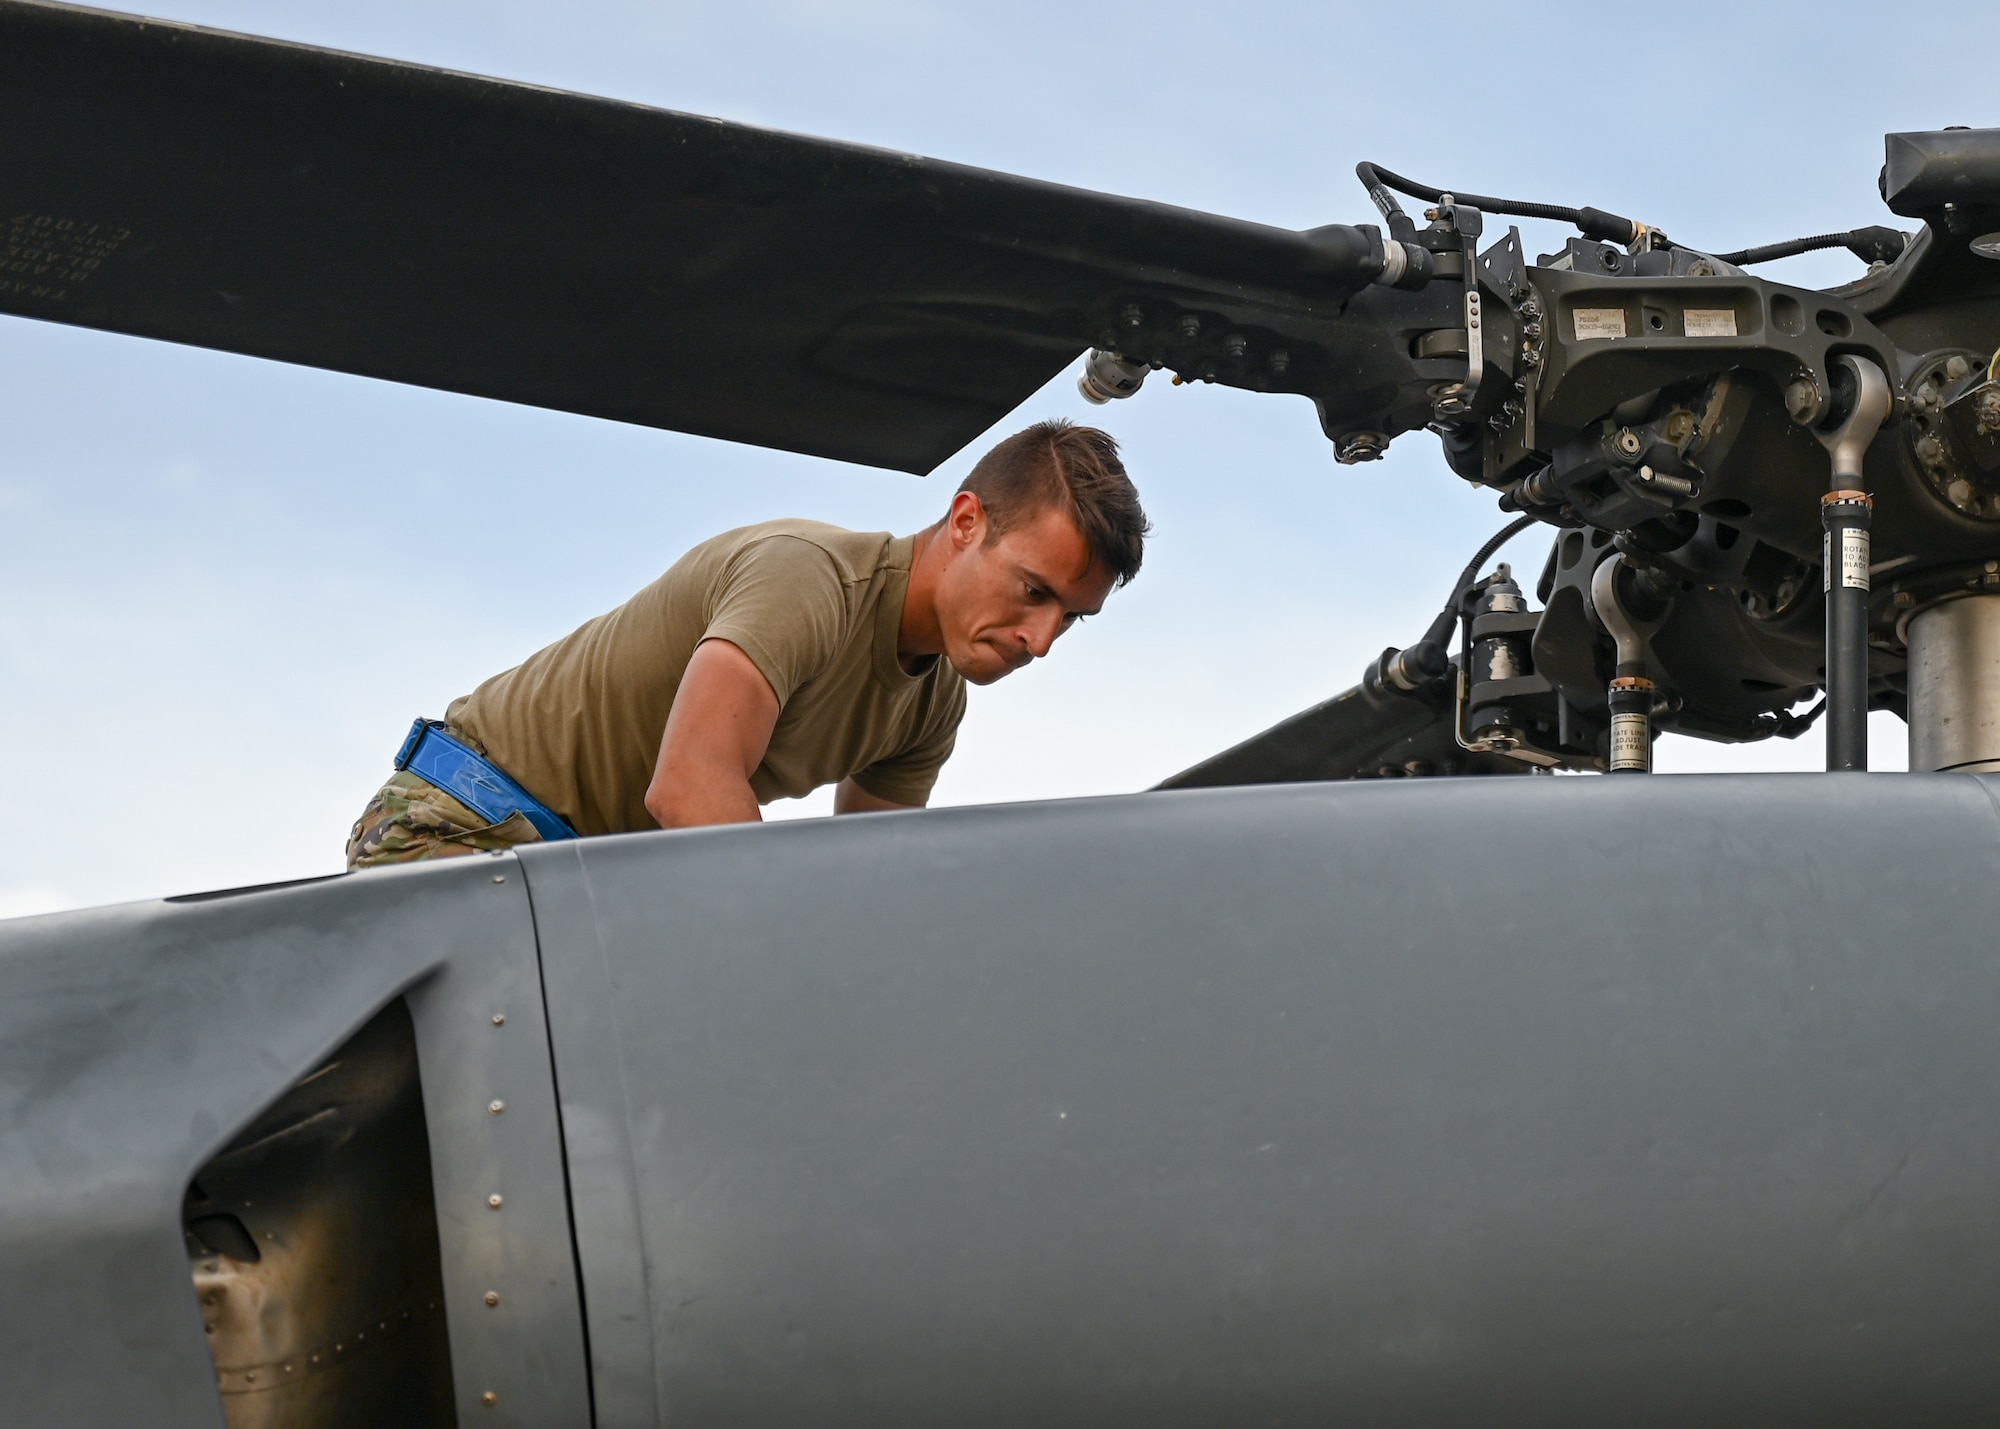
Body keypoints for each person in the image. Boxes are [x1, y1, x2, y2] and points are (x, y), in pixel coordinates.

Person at [346, 419, 1149, 867]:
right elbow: (690, 788)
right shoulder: (810, 580)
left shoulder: (930, 708)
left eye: (1070, 617)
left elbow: (864, 877)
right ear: (968, 521)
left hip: (583, 886)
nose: (1041, 640)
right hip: (464, 823)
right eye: (1035, 591)